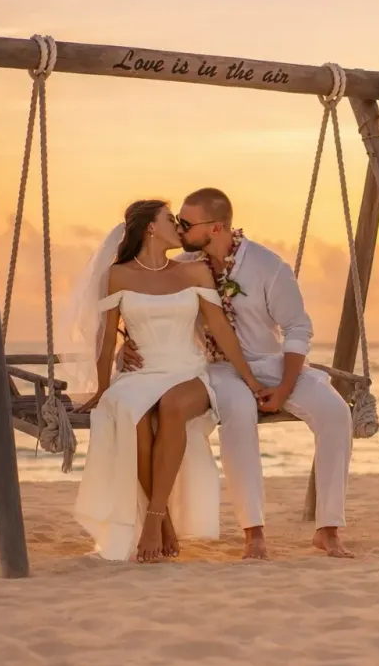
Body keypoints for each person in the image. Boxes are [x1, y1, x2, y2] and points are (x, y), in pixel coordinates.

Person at [121, 187, 355, 559]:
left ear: (216, 227)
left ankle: (328, 529)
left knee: (336, 412)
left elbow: (297, 329)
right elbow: (149, 310)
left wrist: (283, 388)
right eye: (177, 221)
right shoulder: (183, 266)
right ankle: (254, 533)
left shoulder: (267, 266)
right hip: (217, 369)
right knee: (238, 410)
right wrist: (128, 343)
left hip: (273, 363)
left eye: (187, 222)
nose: (180, 229)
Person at [60, 199, 266, 563]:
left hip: (186, 371)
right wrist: (103, 388)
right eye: (170, 219)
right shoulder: (118, 274)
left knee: (172, 406)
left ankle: (152, 522)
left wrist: (249, 378)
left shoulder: (195, 272)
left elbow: (219, 327)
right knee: (130, 413)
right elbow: (107, 338)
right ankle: (165, 519)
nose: (178, 226)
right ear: (151, 228)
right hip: (140, 374)